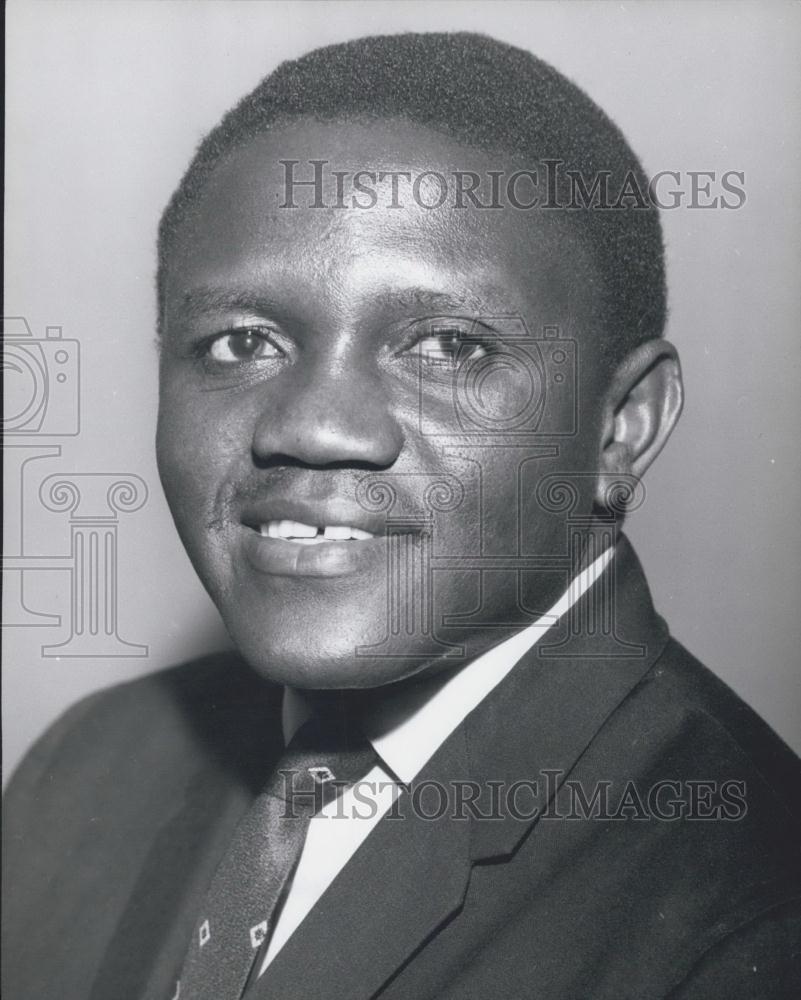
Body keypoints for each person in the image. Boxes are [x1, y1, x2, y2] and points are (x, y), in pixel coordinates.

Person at [3, 31, 800, 1000]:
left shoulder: (751, 914)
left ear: (621, 427)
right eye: (241, 341)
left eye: (449, 346)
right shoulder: (83, 771)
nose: (313, 425)